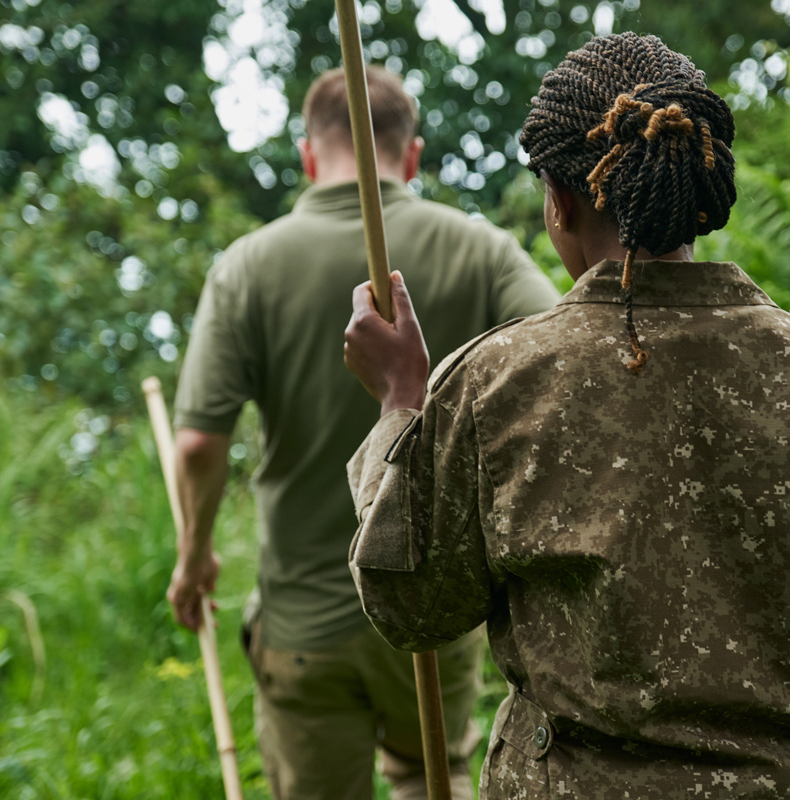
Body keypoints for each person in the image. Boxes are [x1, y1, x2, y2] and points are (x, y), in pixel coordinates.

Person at [342, 33, 790, 799]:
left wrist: (400, 407)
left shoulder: (496, 381)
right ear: (696, 188)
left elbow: (411, 606)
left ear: (558, 200)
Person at [166, 66, 561, 800]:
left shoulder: (247, 266)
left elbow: (196, 444)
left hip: (303, 621)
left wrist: (194, 558)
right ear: (410, 156)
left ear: (308, 156)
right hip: (433, 609)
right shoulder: (480, 249)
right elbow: (564, 368)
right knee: (428, 778)